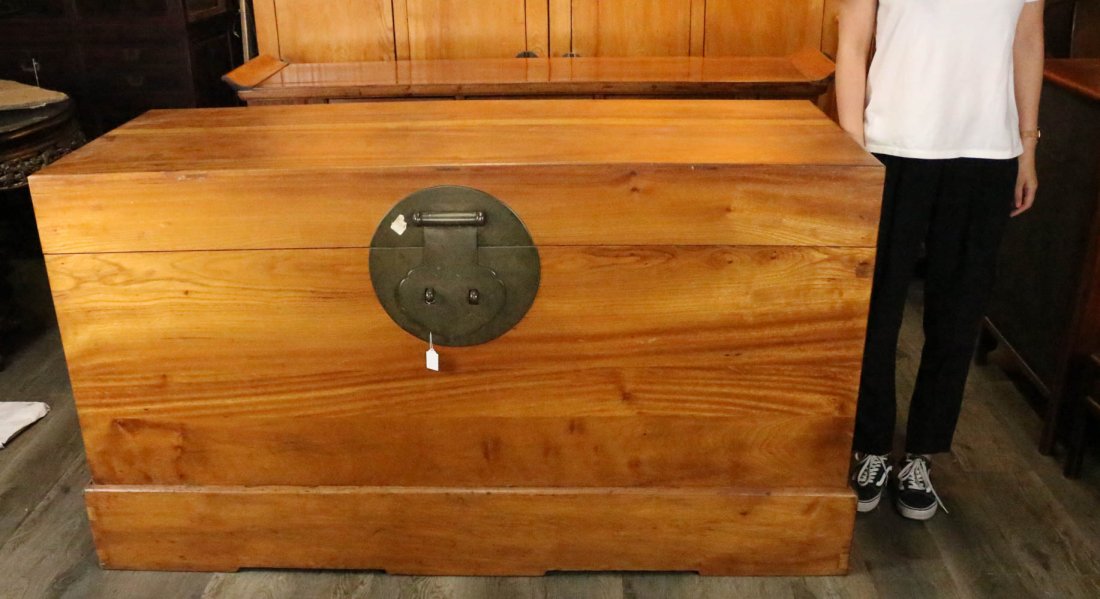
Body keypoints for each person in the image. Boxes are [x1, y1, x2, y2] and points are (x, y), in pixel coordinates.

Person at [835, 0, 1045, 520]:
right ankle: (871, 447)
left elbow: (1027, 41)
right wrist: (852, 149)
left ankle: (922, 455)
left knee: (956, 318)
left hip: (987, 155)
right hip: (893, 146)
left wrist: (1028, 147)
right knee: (876, 312)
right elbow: (853, 42)